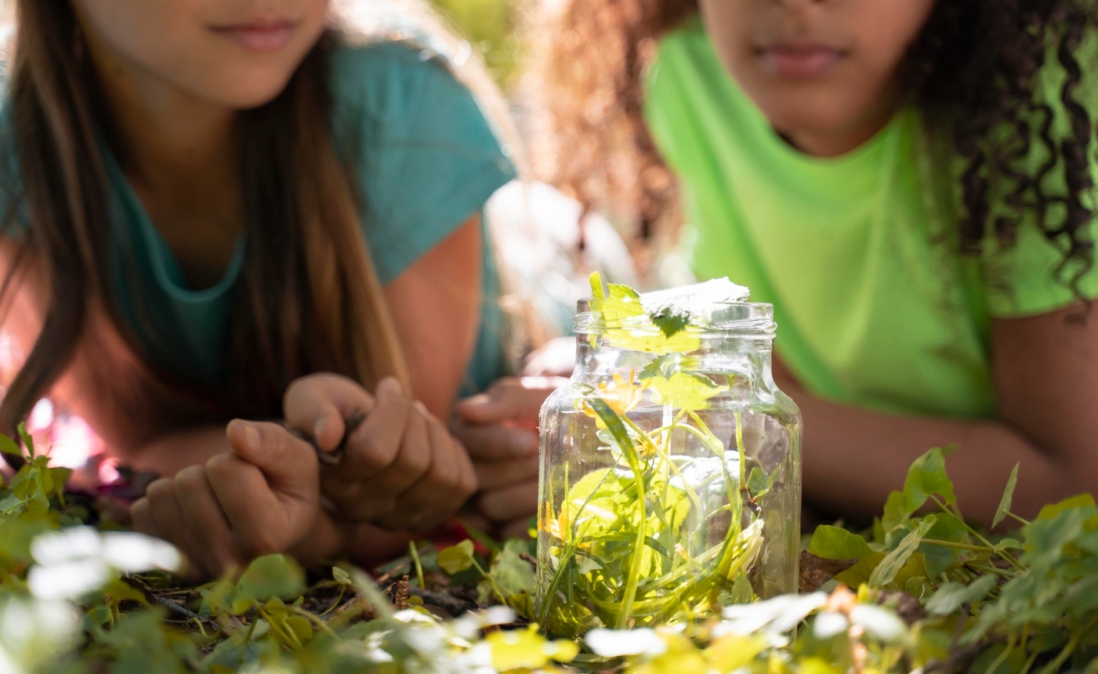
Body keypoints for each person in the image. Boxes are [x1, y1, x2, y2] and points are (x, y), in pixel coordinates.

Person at [459, 0, 1098, 530]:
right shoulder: (695, 75)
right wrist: (633, 422)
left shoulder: (1050, 103)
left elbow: (1072, 483)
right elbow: (782, 400)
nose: (795, 4)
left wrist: (702, 408)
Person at [0, 0, 530, 578]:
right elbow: (149, 447)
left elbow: (399, 497)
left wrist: (309, 512)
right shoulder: (20, 152)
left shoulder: (402, 103)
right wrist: (300, 505)